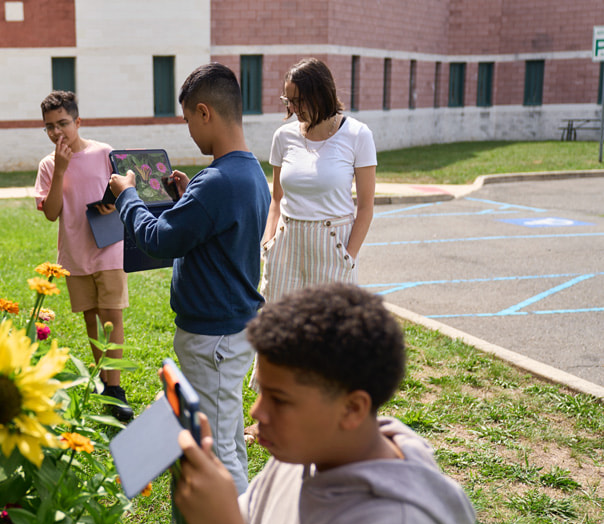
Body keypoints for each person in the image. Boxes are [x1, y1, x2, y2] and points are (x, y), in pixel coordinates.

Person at [173, 284, 479, 524]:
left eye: (279, 400)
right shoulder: (305, 457)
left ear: (352, 409)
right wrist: (199, 505)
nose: (256, 413)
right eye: (261, 392)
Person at [110, 62, 269, 494]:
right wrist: (185, 199)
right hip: (230, 328)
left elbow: (158, 240)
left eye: (187, 121)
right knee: (229, 436)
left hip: (213, 338)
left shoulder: (216, 182)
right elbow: (215, 234)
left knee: (218, 452)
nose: (189, 132)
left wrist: (127, 196)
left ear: (205, 112)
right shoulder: (249, 171)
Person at [34, 90, 133, 422]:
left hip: (108, 247)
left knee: (111, 316)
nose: (57, 131)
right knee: (91, 318)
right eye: (50, 126)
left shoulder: (103, 153)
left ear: (78, 121)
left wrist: (113, 202)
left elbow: (122, 190)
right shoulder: (48, 165)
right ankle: (104, 380)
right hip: (75, 253)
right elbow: (51, 213)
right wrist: (61, 169)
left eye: (63, 123)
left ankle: (115, 390)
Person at [260, 58, 377, 303]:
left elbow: (366, 207)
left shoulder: (358, 135)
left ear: (321, 94)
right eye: (287, 101)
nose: (292, 108)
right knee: (281, 330)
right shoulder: (283, 137)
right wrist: (269, 241)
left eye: (298, 101)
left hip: (332, 245)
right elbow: (277, 197)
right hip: (286, 244)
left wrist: (348, 257)